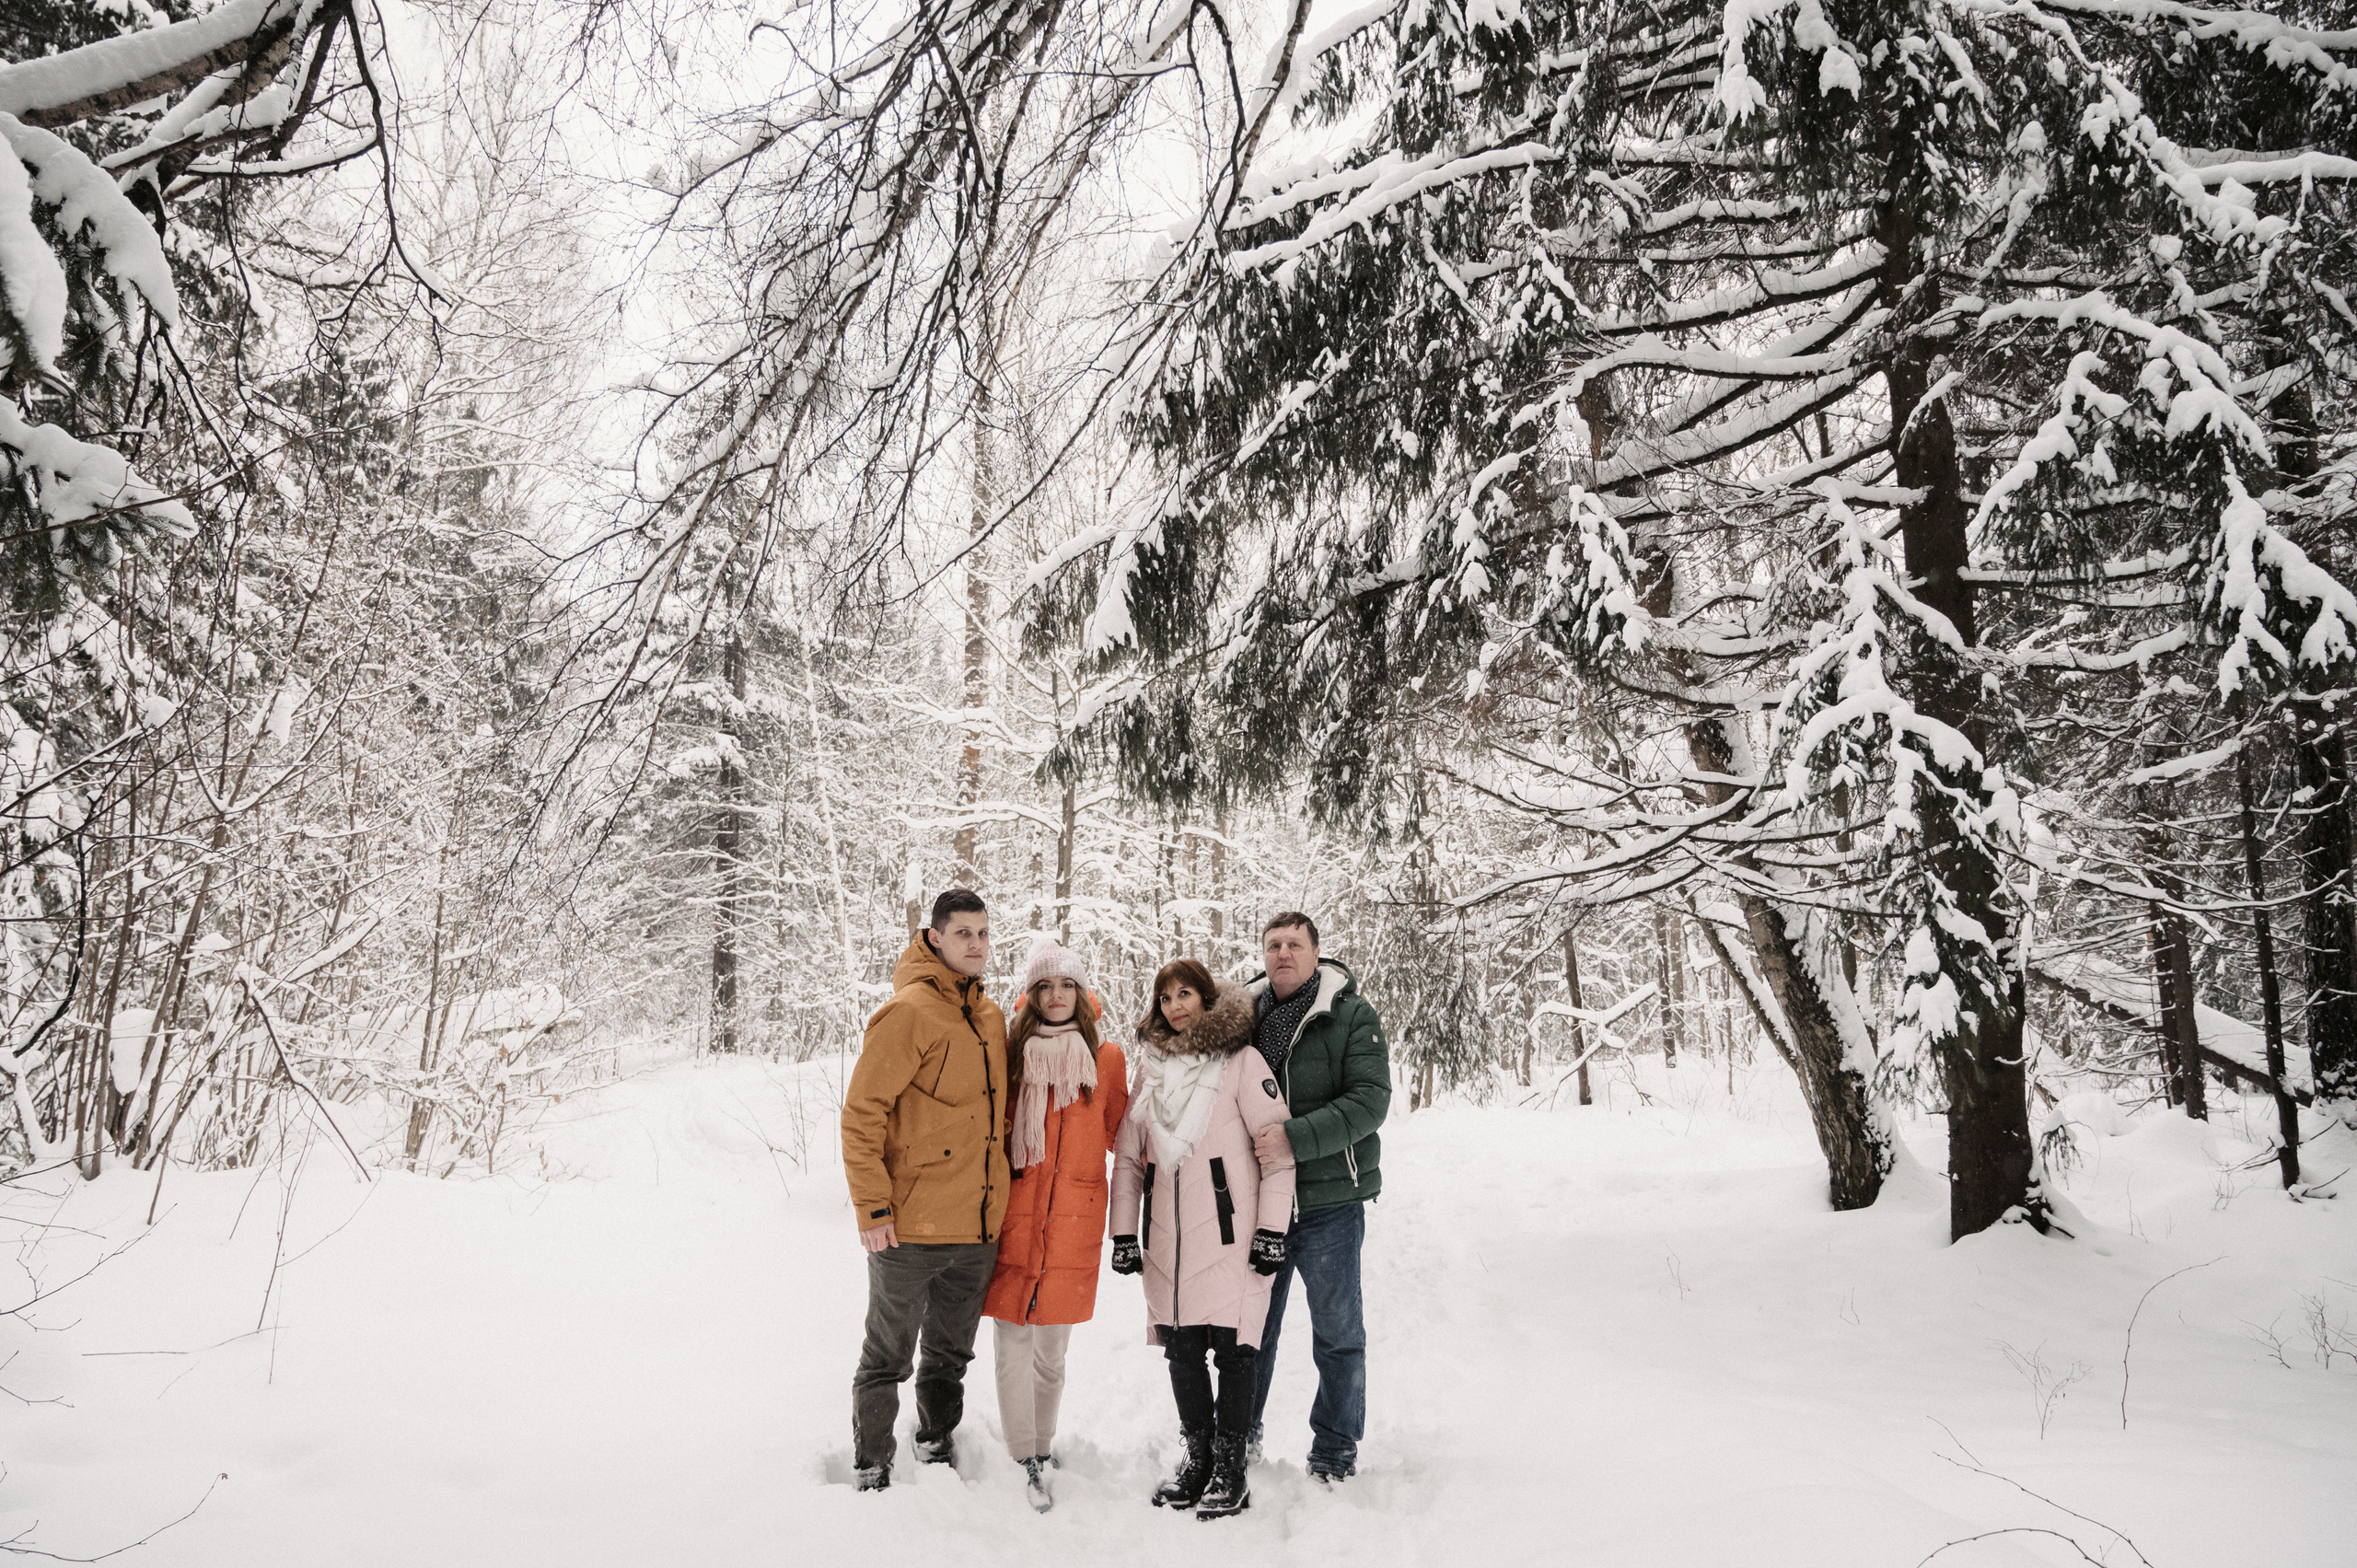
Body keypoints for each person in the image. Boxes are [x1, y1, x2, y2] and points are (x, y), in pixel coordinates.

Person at [1109, 958, 1295, 1520]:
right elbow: (1126, 1160)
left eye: (1185, 993)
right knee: (1182, 1354)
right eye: (1165, 997)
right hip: (1169, 1238)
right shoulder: (1150, 1071)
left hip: (1232, 1237)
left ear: (1207, 999)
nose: (1175, 1006)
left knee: (1236, 1353)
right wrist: (1122, 1232)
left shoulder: (1241, 1063)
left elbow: (1278, 1155)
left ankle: (1230, 1464)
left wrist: (1270, 1232)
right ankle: (1197, 1457)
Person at [841, 889, 1009, 1492]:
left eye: (983, 933)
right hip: (909, 1228)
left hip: (976, 1228)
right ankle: (871, 1465)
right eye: (963, 932)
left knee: (949, 1354)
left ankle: (937, 1442)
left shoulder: (990, 1016)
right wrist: (873, 1205)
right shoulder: (908, 1012)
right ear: (934, 937)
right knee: (888, 1354)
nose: (976, 944)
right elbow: (863, 1113)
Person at [979, 938, 1129, 1513]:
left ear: (1082, 993)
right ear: (1032, 995)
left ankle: (1043, 1444)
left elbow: (1126, 1138)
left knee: (1052, 1353)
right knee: (1011, 1342)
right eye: (1045, 986)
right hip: (1016, 1216)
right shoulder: (1011, 1054)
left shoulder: (1107, 1058)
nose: (1057, 995)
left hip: (1073, 1224)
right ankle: (1023, 1455)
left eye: (1067, 985)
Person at [1245, 911, 1391, 1482]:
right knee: (1251, 1334)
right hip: (1263, 1207)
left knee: (1337, 1334)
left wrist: (1293, 1140)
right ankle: (1241, 1434)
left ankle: (1334, 1447)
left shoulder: (1350, 1014)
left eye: (1294, 944)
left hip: (1330, 1204)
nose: (1283, 953)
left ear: (1315, 953)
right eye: (1274, 944)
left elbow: (1369, 1101)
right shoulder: (1242, 1018)